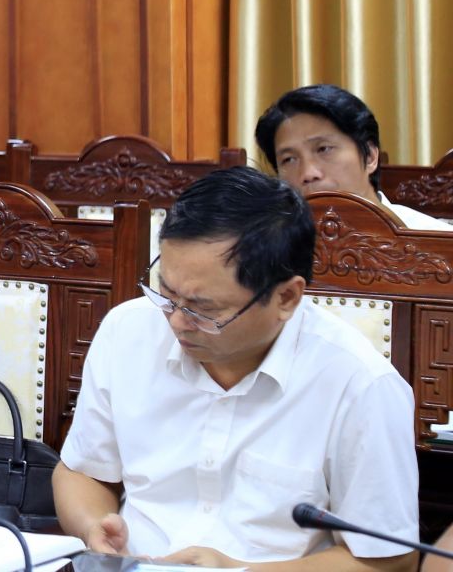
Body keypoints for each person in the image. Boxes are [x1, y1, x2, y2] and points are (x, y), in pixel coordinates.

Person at [54, 167, 418, 571]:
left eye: (203, 309)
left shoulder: (360, 385)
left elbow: (388, 560)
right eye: (167, 294)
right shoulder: (128, 330)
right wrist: (94, 530)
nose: (176, 321)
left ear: (286, 297)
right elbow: (82, 472)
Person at [255, 84, 452, 232]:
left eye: (323, 149)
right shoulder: (267, 252)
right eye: (289, 159)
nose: (308, 174)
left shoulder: (437, 242)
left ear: (370, 156)